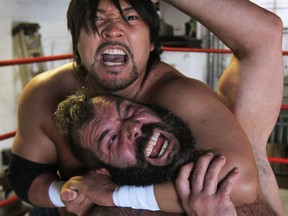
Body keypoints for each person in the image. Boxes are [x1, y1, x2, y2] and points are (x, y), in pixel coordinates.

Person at [7, 0, 284, 215]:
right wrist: (67, 192)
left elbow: (242, 183)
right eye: (96, 19)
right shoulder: (46, 94)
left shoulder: (180, 96)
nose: (112, 29)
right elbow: (24, 176)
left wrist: (112, 194)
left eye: (130, 17)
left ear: (152, 42)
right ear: (76, 45)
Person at [54, 90, 240, 216]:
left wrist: (116, 194)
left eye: (128, 110)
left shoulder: (224, 122)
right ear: (104, 172)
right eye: (111, 140)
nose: (133, 127)